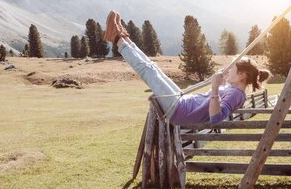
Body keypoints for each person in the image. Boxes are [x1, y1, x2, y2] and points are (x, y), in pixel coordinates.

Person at [103, 10, 271, 125]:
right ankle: (122, 37)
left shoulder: (237, 94)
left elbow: (216, 118)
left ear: (242, 75)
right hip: (180, 101)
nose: (228, 71)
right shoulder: (232, 88)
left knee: (148, 71)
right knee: (152, 68)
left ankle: (117, 38)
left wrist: (214, 87)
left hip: (178, 110)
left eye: (232, 69)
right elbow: (219, 92)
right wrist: (219, 81)